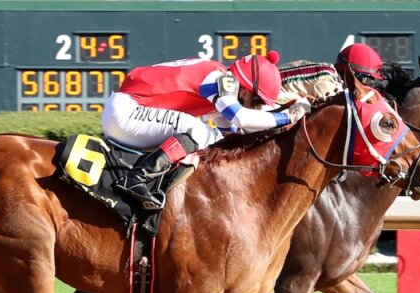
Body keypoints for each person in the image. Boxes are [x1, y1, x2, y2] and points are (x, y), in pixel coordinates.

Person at [102, 51, 311, 209]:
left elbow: (230, 138)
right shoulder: (219, 78)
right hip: (127, 111)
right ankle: (136, 179)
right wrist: (288, 116)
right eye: (255, 101)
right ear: (246, 89)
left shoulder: (218, 85)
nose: (253, 106)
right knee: (197, 130)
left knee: (212, 138)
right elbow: (242, 117)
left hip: (127, 113)